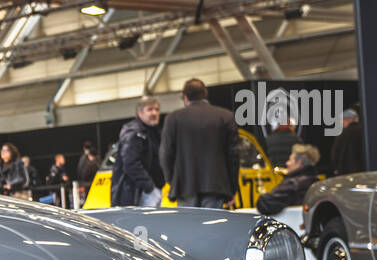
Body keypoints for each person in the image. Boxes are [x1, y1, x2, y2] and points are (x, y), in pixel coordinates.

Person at [159, 78, 239, 208]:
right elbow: (233, 156)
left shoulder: (172, 118)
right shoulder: (226, 116)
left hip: (184, 188)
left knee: (187, 227)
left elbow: (165, 154)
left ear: (185, 97)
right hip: (216, 187)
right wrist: (232, 189)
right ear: (205, 93)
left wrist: (173, 181)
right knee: (212, 227)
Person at [111, 96, 163, 207]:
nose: (154, 113)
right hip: (137, 193)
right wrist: (150, 187)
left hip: (149, 190)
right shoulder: (134, 132)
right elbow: (130, 164)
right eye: (150, 109)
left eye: (157, 109)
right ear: (140, 112)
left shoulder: (154, 132)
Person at [257, 144, 322, 215]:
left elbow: (267, 204)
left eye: (290, 160)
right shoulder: (317, 182)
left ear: (298, 163)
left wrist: (261, 198)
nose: (287, 163)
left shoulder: (294, 184)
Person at [330, 108, 365, 176]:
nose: (342, 124)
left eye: (342, 121)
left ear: (347, 119)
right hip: (363, 172)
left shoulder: (342, 134)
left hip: (345, 174)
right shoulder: (364, 132)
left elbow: (334, 156)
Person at [75, 141, 100, 205]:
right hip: (95, 183)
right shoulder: (97, 158)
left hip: (87, 184)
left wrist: (81, 184)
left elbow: (80, 171)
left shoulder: (84, 159)